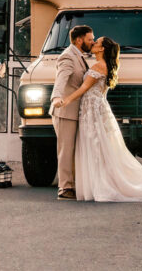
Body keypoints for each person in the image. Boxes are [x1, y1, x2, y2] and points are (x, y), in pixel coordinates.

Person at [57, 36, 142, 202]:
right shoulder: (102, 65)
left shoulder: (99, 66)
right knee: (98, 146)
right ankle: (96, 181)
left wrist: (66, 100)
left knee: (95, 145)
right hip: (94, 109)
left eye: (96, 42)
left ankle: (100, 183)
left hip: (93, 112)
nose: (93, 43)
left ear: (102, 49)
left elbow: (83, 89)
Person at [50, 24, 95, 200]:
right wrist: (56, 98)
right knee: (66, 150)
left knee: (74, 149)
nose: (92, 42)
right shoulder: (67, 57)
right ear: (79, 40)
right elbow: (61, 80)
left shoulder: (79, 56)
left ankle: (74, 185)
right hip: (64, 111)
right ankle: (65, 188)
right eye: (90, 39)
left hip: (75, 111)